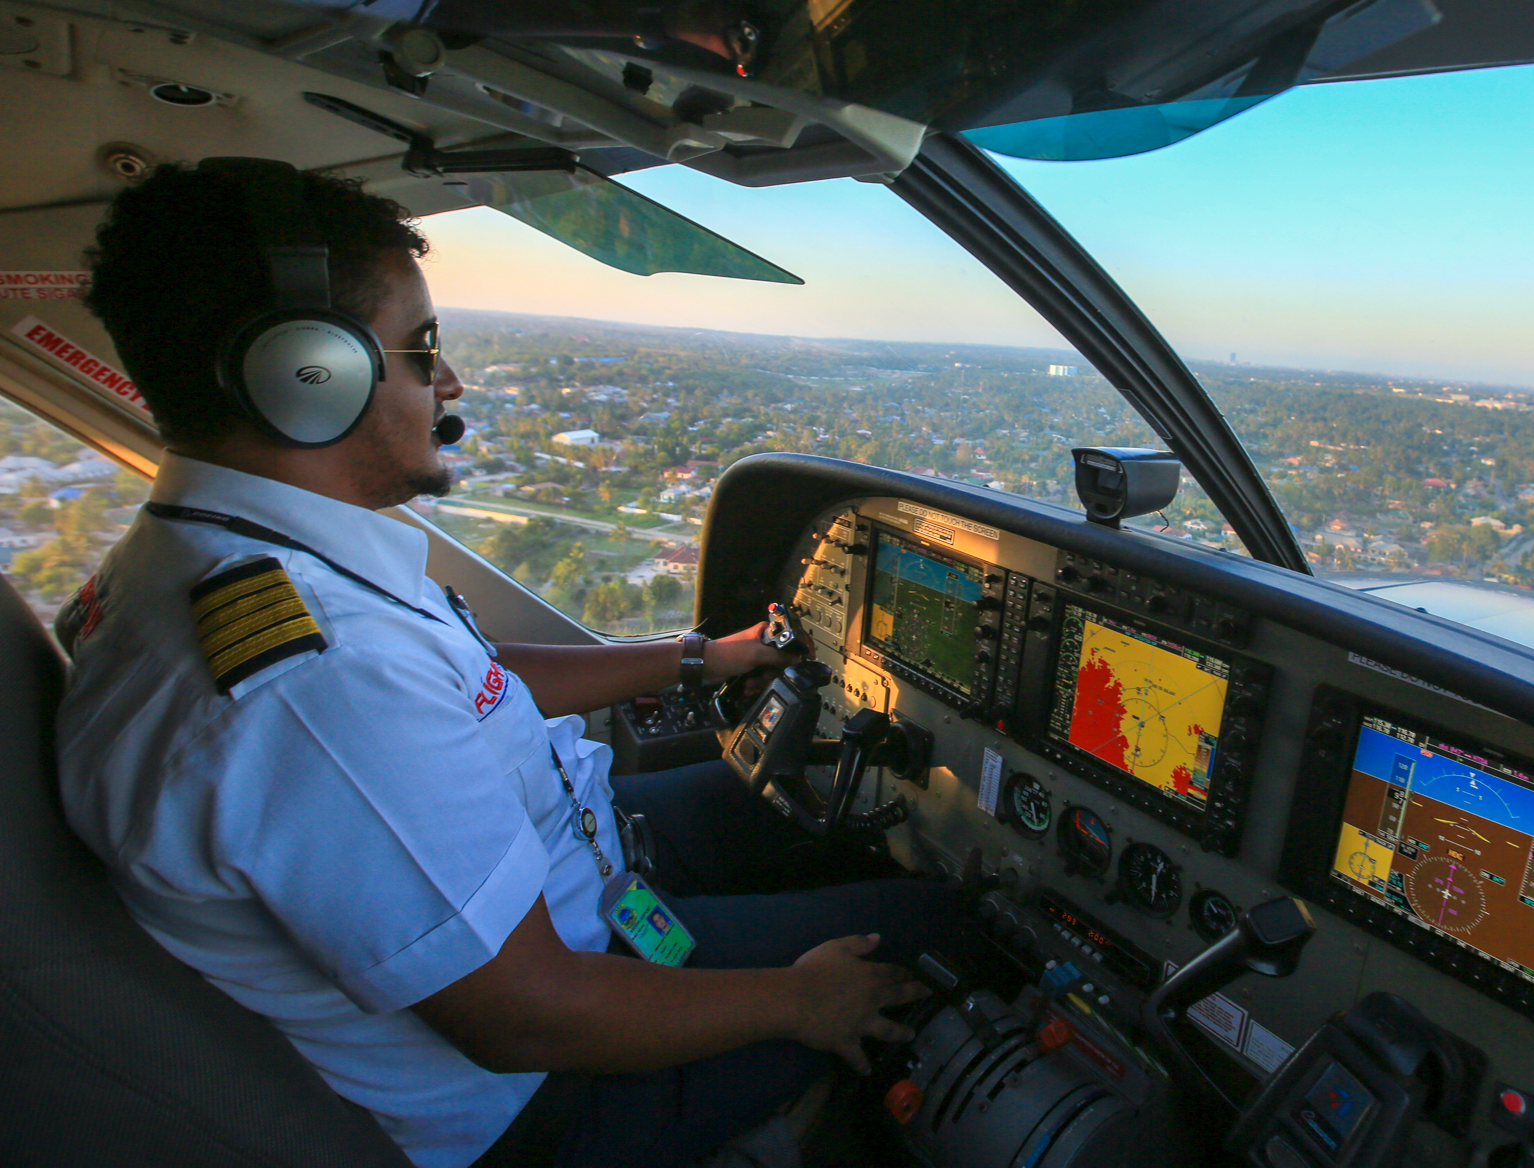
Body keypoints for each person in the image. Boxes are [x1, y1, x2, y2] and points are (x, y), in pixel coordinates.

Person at [55, 161, 951, 1168]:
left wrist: (701, 656)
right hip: (555, 1088)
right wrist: (800, 999)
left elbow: (473, 683)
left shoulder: (222, 559)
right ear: (309, 373)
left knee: (831, 788)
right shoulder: (316, 684)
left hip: (574, 880)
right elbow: (524, 1016)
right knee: (938, 926)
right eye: (421, 347)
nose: (449, 382)